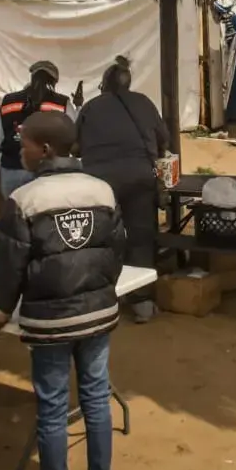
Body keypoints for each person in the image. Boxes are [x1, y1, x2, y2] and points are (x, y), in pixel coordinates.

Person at [0, 111, 125, 470]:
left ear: (44, 150)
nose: (19, 149)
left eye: (23, 143)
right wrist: (98, 292)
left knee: (53, 408)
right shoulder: (102, 191)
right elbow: (116, 251)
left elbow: (7, 268)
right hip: (97, 314)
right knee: (97, 399)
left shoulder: (24, 200)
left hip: (50, 322)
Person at [76, 56, 168, 324]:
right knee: (140, 238)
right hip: (141, 179)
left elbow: (75, 146)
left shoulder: (91, 108)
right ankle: (142, 304)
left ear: (104, 84)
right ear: (129, 83)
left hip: (100, 185)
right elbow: (164, 139)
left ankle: (100, 299)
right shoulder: (144, 103)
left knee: (100, 239)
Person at [0, 60, 82, 197]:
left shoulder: (8, 101)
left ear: (32, 76)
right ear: (54, 82)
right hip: (47, 172)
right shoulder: (62, 103)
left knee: (13, 214)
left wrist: (17, 145)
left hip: (11, 169)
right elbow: (72, 135)